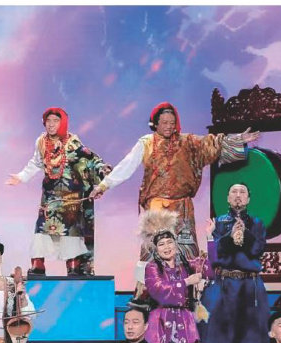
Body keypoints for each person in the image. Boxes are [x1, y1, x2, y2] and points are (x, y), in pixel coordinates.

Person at [89, 103, 258, 268]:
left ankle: (189, 286)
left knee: (187, 253)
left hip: (183, 208)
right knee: (154, 253)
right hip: (157, 208)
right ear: (155, 124)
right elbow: (126, 166)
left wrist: (238, 139)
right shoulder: (147, 143)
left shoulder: (187, 142)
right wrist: (103, 186)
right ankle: (151, 286)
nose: (169, 126)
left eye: (172, 122)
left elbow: (212, 143)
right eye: (164, 123)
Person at [6, 107, 109, 276]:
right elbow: (36, 162)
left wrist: (103, 173)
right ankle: (38, 265)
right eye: (48, 121)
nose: (51, 124)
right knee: (42, 228)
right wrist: (21, 177)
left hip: (70, 196)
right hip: (50, 196)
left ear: (63, 123)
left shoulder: (73, 143)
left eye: (55, 121)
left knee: (70, 230)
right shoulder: (41, 142)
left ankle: (73, 266)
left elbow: (91, 160)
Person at [141, 209, 215, 343]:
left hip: (184, 321)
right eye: (161, 244)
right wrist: (186, 283)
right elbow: (159, 291)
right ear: (155, 249)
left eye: (169, 242)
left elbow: (209, 270)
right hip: (160, 323)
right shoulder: (152, 268)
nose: (166, 247)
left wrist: (210, 237)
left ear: (176, 244)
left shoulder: (186, 265)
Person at [200, 183, 270, 343]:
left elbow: (257, 250)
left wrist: (245, 233)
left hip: (250, 285)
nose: (238, 195)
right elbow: (216, 254)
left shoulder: (257, 223)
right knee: (211, 333)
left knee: (256, 340)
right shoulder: (218, 223)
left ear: (248, 199)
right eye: (234, 192)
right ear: (228, 198)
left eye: (242, 192)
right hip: (224, 283)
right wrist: (229, 236)